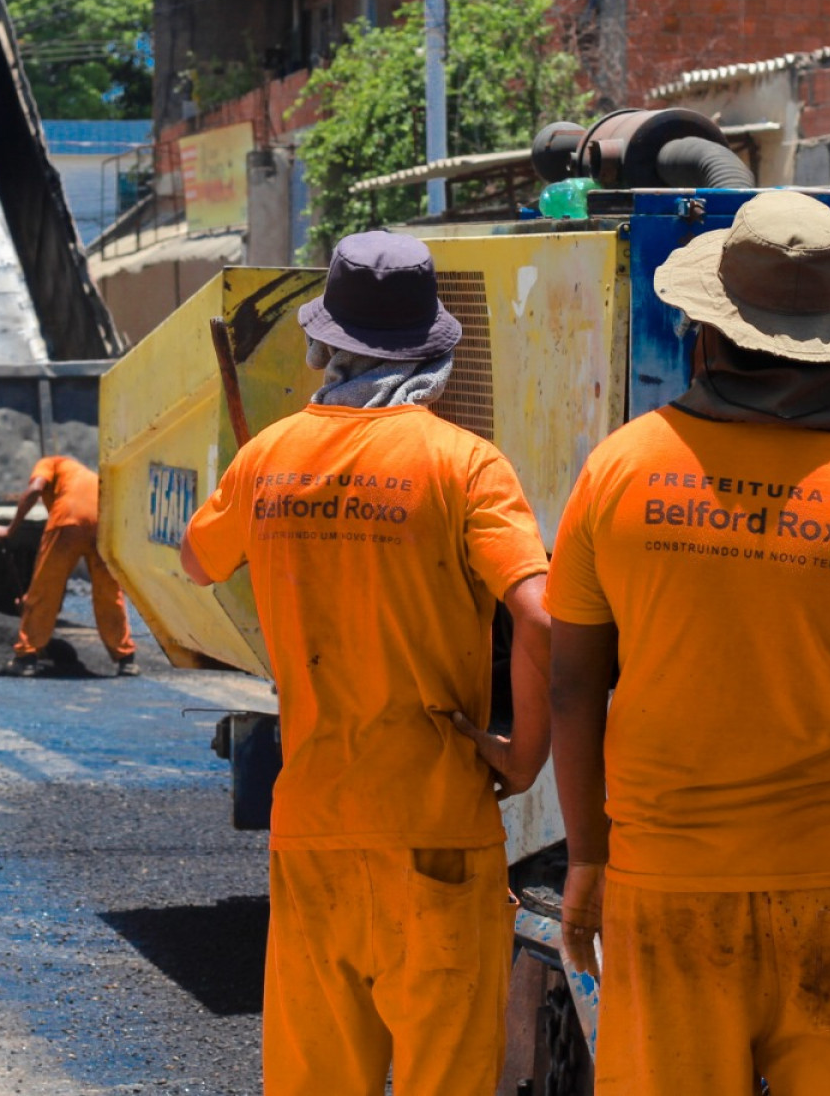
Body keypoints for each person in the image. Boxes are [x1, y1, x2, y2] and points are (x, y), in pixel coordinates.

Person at [546, 191, 830, 1094]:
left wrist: (587, 856)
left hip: (669, 887)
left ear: (708, 335)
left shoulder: (620, 469)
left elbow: (574, 688)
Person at [179, 231, 553, 1096]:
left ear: (323, 346)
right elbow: (540, 615)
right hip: (438, 826)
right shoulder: (465, 464)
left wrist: (264, 490)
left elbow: (197, 561)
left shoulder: (269, 456)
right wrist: (526, 753)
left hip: (315, 824)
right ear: (432, 353)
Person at [0, 453, 136, 675]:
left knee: (44, 590)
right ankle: (126, 658)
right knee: (109, 593)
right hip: (104, 523)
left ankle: (26, 657)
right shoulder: (83, 474)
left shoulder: (49, 462)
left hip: (68, 521)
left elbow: (35, 489)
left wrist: (10, 529)